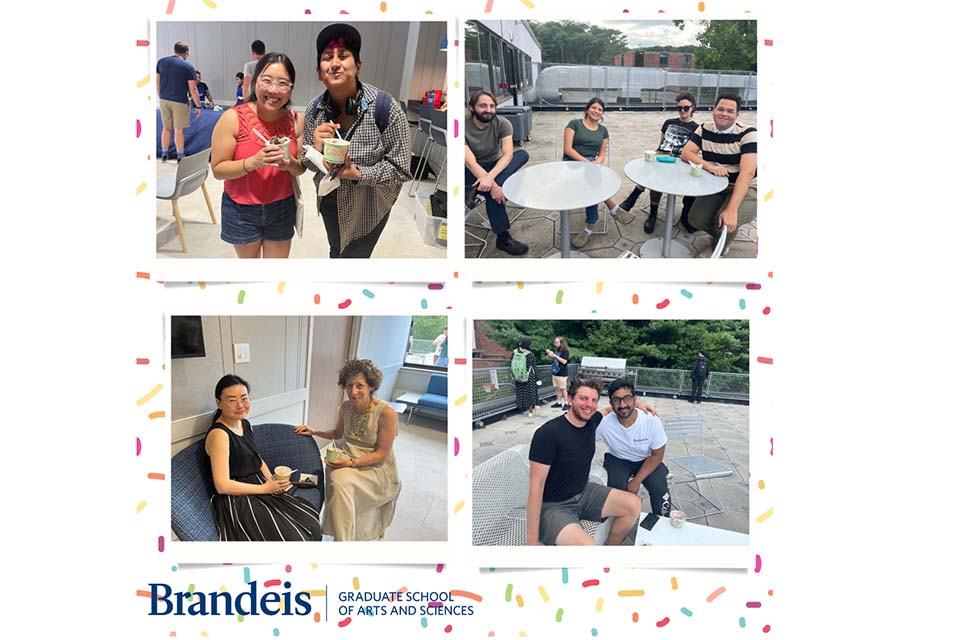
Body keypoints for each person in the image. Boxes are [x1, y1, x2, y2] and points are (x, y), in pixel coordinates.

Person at [302, 23, 412, 258]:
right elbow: (309, 165)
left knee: (356, 258)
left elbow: (401, 169)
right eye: (327, 58)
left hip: (370, 205)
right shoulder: (314, 109)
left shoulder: (384, 107)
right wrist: (315, 148)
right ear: (319, 72)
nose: (334, 63)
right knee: (336, 250)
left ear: (358, 66)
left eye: (343, 56)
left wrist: (357, 174)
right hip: (330, 198)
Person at [526, 377, 643, 546]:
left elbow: (609, 409)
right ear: (570, 399)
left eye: (594, 400)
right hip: (554, 506)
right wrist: (531, 542)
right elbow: (536, 487)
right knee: (589, 549)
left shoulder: (591, 421)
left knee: (633, 504)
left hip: (584, 492)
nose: (589, 404)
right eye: (583, 398)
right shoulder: (548, 433)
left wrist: (637, 405)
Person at [204, 375, 322, 541]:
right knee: (292, 537)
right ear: (219, 403)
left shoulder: (244, 423)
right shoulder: (219, 435)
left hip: (259, 484)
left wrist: (273, 481)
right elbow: (222, 485)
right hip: (237, 496)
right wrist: (265, 488)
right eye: (232, 400)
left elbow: (257, 459)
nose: (240, 405)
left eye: (244, 398)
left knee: (311, 524)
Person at [211, 52, 305, 258]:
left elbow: (300, 167)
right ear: (255, 82)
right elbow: (218, 170)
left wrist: (289, 165)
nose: (274, 90)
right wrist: (253, 162)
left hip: (282, 207)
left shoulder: (296, 120)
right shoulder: (232, 118)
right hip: (240, 210)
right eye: (267, 80)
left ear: (291, 88)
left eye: (283, 83)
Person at [295, 359, 400, 541]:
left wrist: (351, 463)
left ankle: (341, 542)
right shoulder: (345, 407)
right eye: (349, 385)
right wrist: (314, 431)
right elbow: (337, 433)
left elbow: (382, 453)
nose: (353, 391)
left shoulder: (386, 413)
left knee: (340, 482)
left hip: (375, 466)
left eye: (360, 385)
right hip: (347, 456)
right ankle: (343, 538)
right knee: (337, 478)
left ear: (372, 386)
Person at [680, 93, 758, 257]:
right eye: (720, 109)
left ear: (737, 115)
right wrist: (710, 166)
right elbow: (686, 153)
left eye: (730, 111)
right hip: (716, 183)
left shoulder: (749, 134)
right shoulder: (704, 128)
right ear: (713, 110)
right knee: (694, 219)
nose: (724, 113)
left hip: (746, 187)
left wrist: (731, 209)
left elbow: (747, 172)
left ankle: (719, 246)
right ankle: (723, 232)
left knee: (725, 219)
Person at [618, 92, 700, 234]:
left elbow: (694, 151)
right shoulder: (669, 122)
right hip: (662, 154)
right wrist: (658, 155)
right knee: (650, 169)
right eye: (679, 108)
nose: (682, 111)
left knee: (656, 176)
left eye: (686, 108)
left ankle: (635, 198)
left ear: (693, 108)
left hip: (680, 159)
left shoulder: (697, 128)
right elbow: (661, 144)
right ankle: (652, 213)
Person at [562, 98, 636, 249]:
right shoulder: (574, 124)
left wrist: (596, 164)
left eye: (600, 110)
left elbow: (602, 154)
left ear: (602, 113)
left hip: (591, 164)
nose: (596, 111)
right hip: (571, 162)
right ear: (587, 109)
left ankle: (589, 227)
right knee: (592, 180)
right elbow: (568, 149)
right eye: (594, 108)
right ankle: (612, 209)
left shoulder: (603, 130)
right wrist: (587, 163)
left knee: (591, 182)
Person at [464, 90, 530, 256]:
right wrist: (495, 188)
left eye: (492, 106)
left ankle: (475, 188)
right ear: (472, 108)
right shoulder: (460, 126)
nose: (489, 110)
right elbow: (469, 162)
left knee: (522, 155)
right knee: (493, 195)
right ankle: (503, 237)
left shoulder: (503, 123)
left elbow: (507, 154)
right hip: (470, 169)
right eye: (483, 106)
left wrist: (491, 180)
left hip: (494, 165)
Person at [596, 379, 671, 516]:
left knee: (660, 489)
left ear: (635, 399)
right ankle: (617, 520)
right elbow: (580, 431)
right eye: (617, 400)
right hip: (618, 459)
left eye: (627, 398)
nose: (622, 405)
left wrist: (636, 482)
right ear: (611, 403)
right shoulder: (604, 424)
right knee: (615, 491)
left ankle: (662, 522)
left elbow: (657, 455)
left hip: (646, 459)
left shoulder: (650, 421)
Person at [156, 41, 202, 163]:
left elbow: (157, 82)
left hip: (164, 99)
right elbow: (193, 89)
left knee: (166, 128)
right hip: (179, 101)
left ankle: (164, 154)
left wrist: (160, 96)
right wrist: (198, 106)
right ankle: (180, 156)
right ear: (186, 53)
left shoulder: (161, 62)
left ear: (174, 50)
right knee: (179, 130)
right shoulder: (188, 66)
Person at [512, 338, 539, 417]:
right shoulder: (530, 354)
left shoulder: (514, 352)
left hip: (518, 376)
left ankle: (520, 407)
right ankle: (530, 412)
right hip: (528, 376)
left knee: (520, 392)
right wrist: (537, 377)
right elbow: (534, 366)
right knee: (530, 393)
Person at [545, 336, 570, 411]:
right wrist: (551, 355)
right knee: (557, 388)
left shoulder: (565, 351)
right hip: (555, 372)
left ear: (561, 343)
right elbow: (555, 360)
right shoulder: (557, 350)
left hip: (562, 372)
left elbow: (564, 361)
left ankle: (566, 403)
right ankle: (558, 402)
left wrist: (555, 356)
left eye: (557, 342)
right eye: (555, 342)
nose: (555, 344)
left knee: (563, 388)